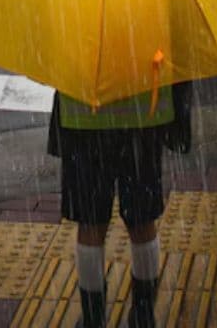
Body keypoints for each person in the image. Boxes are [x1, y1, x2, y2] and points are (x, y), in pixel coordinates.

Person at [48, 80, 193, 328]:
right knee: (142, 219)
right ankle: (143, 314)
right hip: (143, 112)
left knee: (91, 222)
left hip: (84, 113)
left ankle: (93, 318)